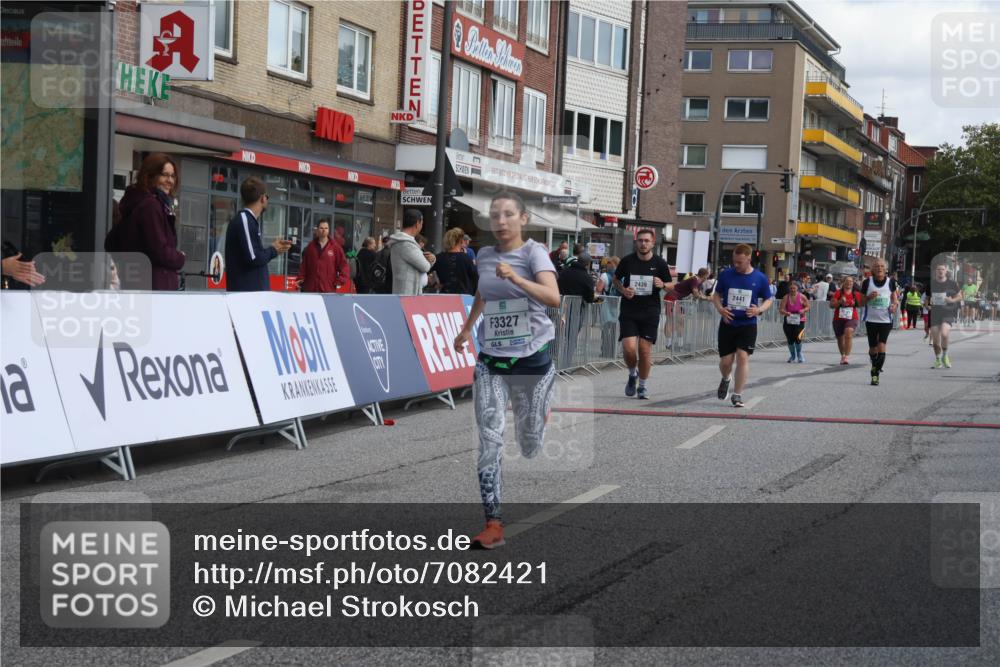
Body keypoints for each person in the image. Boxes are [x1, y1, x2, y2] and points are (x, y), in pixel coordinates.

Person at [453, 191, 560, 550]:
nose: (500, 221)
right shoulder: (483, 256)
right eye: (495, 215)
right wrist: (469, 327)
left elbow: (553, 298)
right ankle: (493, 523)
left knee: (529, 443)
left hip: (532, 359)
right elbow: (484, 293)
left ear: (523, 219)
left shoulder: (534, 253)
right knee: (490, 440)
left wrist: (516, 278)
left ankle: (537, 416)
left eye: (508, 215)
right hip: (492, 360)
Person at [107, 153, 186, 290]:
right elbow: (159, 250)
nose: (170, 180)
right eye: (164, 175)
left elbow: (111, 243)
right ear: (149, 176)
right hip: (155, 287)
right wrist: (180, 257)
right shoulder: (151, 206)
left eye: (172, 176)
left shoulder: (136, 203)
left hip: (139, 284)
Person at [614, 229, 671, 400]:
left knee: (644, 351)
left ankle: (643, 386)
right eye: (640, 240)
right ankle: (633, 374)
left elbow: (670, 285)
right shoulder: (627, 261)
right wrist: (623, 290)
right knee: (629, 348)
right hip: (629, 310)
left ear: (653, 243)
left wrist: (662, 284)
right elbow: (616, 280)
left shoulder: (660, 263)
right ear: (636, 242)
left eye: (647, 240)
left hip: (650, 311)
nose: (643, 243)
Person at [713, 244, 773, 408]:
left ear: (748, 259)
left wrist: (759, 309)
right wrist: (720, 309)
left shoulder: (759, 278)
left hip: (747, 324)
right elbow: (716, 295)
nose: (736, 265)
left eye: (739, 262)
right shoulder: (726, 275)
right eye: (734, 262)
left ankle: (737, 395)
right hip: (728, 323)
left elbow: (769, 299)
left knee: (742, 357)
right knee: (726, 362)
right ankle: (726, 378)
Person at [225, 176, 292, 292]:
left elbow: (254, 254)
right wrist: (273, 250)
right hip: (247, 296)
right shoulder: (245, 220)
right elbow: (254, 258)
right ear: (262, 198)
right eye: (267, 196)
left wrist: (274, 250)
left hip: (253, 295)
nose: (267, 200)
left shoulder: (248, 220)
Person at [859, 258, 898, 386]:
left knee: (881, 346)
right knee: (873, 349)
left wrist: (894, 306)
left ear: (885, 269)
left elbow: (894, 299)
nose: (879, 268)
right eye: (877, 266)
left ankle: (875, 374)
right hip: (871, 320)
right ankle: (874, 361)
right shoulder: (867, 282)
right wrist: (869, 297)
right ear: (873, 269)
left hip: (886, 320)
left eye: (882, 266)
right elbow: (860, 302)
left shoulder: (890, 282)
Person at [388, 209, 436, 296]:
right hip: (408, 295)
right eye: (422, 223)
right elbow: (425, 267)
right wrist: (432, 259)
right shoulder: (406, 244)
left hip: (403, 293)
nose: (421, 226)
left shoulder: (400, 242)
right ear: (417, 223)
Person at [924, 262, 962, 368]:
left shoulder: (952, 283)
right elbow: (926, 299)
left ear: (946, 271)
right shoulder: (931, 284)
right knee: (936, 342)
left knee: (945, 334)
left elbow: (959, 296)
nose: (940, 271)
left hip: (948, 312)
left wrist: (952, 300)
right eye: (938, 269)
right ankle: (938, 360)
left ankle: (945, 356)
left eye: (942, 269)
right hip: (935, 313)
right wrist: (927, 306)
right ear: (936, 271)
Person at [297, 219, 349, 293]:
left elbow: (344, 266)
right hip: (311, 288)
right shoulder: (310, 247)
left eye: (326, 228)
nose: (323, 230)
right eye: (321, 228)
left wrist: (340, 280)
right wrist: (300, 278)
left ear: (328, 230)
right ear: (317, 230)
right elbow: (304, 265)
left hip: (328, 288)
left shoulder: (335, 247)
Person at [663, 267, 709, 348]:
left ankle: (680, 344)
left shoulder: (699, 282)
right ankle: (668, 344)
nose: (707, 278)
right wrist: (705, 298)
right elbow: (696, 293)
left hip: (677, 300)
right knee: (670, 320)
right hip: (671, 297)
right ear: (704, 275)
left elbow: (699, 294)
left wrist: (703, 297)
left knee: (680, 320)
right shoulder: (694, 280)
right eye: (707, 276)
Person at [435, 227, 478, 295]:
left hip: (444, 296)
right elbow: (475, 278)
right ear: (461, 241)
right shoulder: (466, 258)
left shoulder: (438, 257)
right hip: (463, 297)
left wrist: (435, 284)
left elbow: (426, 273)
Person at [831, 276, 861, 364]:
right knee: (840, 338)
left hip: (852, 317)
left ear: (853, 283)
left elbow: (860, 304)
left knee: (848, 332)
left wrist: (854, 303)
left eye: (851, 281)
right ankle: (843, 355)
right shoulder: (838, 293)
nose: (849, 283)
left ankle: (847, 357)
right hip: (838, 318)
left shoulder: (855, 294)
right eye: (847, 281)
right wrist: (840, 301)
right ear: (843, 282)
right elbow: (831, 305)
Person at [779, 280, 810, 363]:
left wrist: (803, 310)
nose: (792, 290)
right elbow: (781, 309)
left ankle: (799, 354)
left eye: (794, 288)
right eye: (791, 288)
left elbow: (808, 307)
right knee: (790, 339)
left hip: (800, 320)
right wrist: (786, 312)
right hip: (789, 320)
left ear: (797, 288)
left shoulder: (802, 297)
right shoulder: (786, 297)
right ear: (789, 288)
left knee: (798, 338)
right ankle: (793, 355)